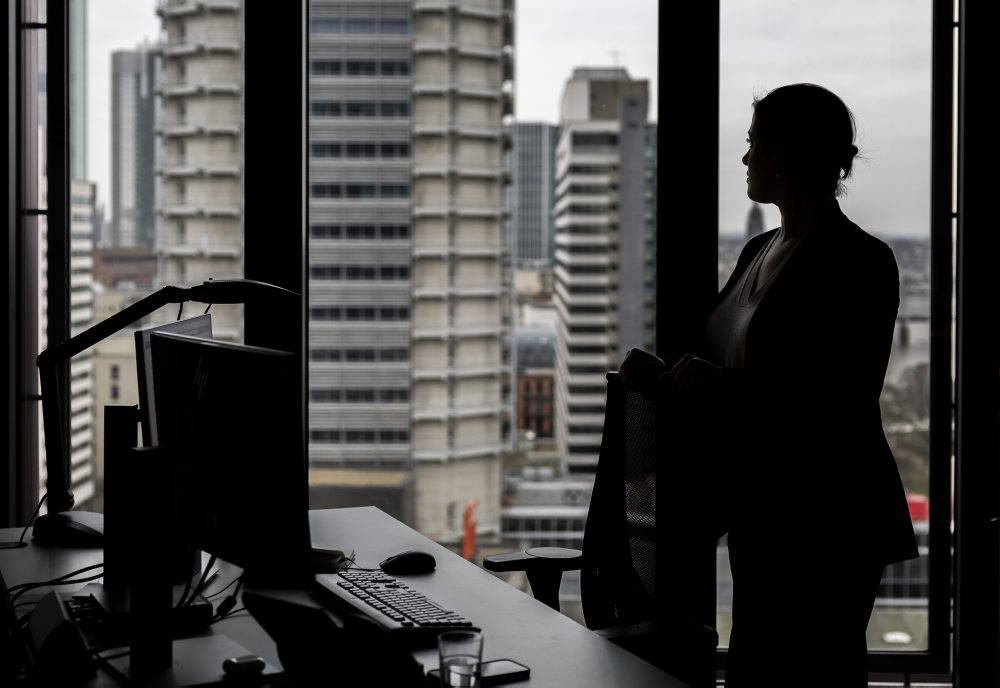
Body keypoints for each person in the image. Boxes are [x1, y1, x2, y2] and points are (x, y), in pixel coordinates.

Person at [620, 83, 918, 686]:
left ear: (784, 154)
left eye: (754, 141)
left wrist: (716, 386)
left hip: (827, 522)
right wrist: (667, 373)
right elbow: (730, 363)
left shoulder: (862, 262)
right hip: (762, 514)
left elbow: (835, 402)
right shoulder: (759, 248)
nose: (745, 156)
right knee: (759, 666)